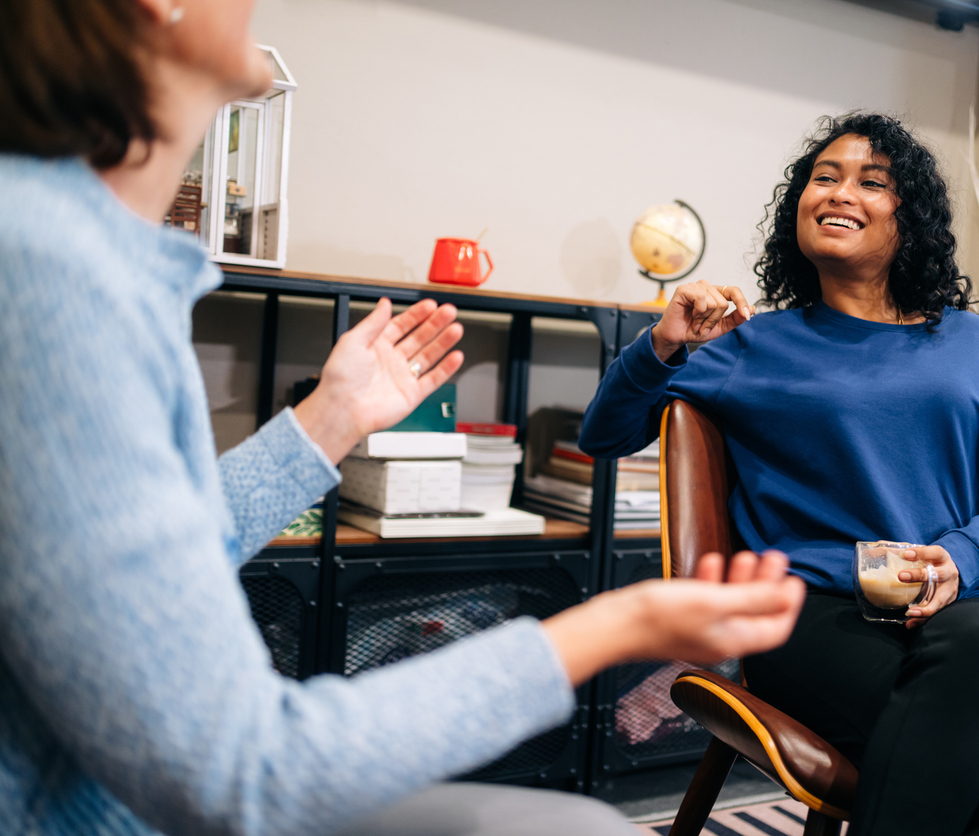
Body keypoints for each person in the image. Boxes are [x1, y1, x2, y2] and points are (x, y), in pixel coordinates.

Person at [0, 2, 807, 835]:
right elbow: (248, 773)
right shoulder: (53, 277)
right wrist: (609, 625)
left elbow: (158, 560)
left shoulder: (70, 255)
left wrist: (331, 418)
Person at [579, 113, 979, 835]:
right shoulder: (751, 347)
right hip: (815, 615)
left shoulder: (973, 345)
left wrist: (960, 563)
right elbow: (605, 434)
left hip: (973, 606)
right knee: (948, 737)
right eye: (823, 177)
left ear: (912, 216)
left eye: (871, 182)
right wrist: (665, 341)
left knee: (976, 657)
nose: (838, 193)